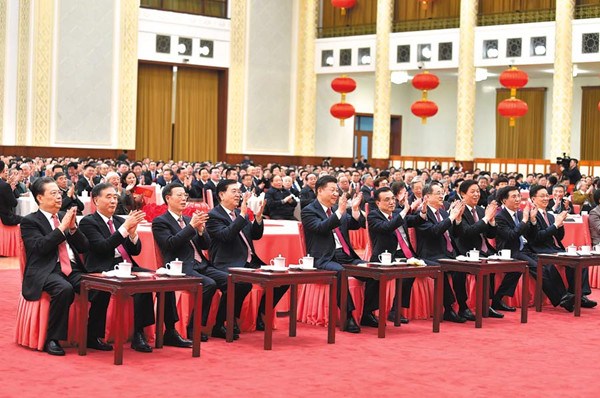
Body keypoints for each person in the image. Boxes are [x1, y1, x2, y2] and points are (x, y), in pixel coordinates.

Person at [79, 183, 191, 351]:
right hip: (103, 268)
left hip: (126, 266)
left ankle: (170, 330)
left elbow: (134, 250)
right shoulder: (88, 222)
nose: (113, 201)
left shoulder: (117, 220)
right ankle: (138, 334)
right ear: (96, 200)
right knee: (139, 286)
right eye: (108, 197)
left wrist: (132, 234)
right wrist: (125, 228)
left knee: (161, 280)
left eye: (115, 197)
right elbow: (103, 247)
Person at [206, 179, 287, 332]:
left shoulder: (238, 213)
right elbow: (226, 236)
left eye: (239, 191)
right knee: (241, 283)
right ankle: (223, 322)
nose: (238, 195)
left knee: (282, 278)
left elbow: (255, 235)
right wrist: (243, 215)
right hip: (227, 261)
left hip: (249, 260)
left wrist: (257, 217)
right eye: (234, 191)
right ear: (222, 195)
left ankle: (261, 313)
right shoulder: (214, 215)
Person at [20, 178, 89, 356]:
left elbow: (83, 247)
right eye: (53, 193)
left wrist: (72, 229)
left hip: (71, 268)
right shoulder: (30, 221)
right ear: (40, 198)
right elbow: (40, 247)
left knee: (96, 285)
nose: (59, 197)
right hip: (46, 270)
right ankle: (53, 338)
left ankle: (93, 335)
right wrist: (62, 228)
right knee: (63, 289)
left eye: (59, 193)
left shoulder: (65, 217)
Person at [301, 175, 379, 333]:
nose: (336, 194)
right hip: (323, 257)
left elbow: (354, 225)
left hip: (345, 255)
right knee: (340, 272)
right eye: (332, 190)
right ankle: (348, 316)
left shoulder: (337, 209)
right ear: (320, 191)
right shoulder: (308, 211)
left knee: (374, 270)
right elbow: (321, 228)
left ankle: (367, 313)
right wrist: (341, 211)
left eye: (336, 191)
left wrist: (355, 210)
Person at [152, 183, 228, 340]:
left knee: (230, 280)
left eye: (185, 195)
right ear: (168, 198)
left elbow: (206, 245)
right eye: (179, 195)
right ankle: (194, 327)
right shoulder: (160, 222)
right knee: (209, 284)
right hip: (180, 266)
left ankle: (219, 324)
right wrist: (191, 227)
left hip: (202, 264)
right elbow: (170, 244)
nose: (183, 198)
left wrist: (200, 231)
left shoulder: (188, 219)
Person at [494, 185, 574, 312]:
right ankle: (561, 299)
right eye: (513, 197)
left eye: (518, 196)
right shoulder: (500, 217)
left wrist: (532, 220)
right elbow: (511, 235)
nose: (517, 199)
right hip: (511, 250)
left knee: (547, 265)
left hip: (526, 249)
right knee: (537, 267)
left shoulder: (520, 214)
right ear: (504, 200)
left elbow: (531, 235)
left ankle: (564, 296)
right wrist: (526, 220)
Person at [528, 184, 596, 310]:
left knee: (579, 260)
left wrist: (560, 224)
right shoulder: (531, 215)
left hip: (553, 248)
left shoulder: (548, 215)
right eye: (541, 196)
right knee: (550, 267)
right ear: (533, 199)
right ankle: (567, 298)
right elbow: (537, 238)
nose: (545, 199)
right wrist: (555, 225)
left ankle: (578, 296)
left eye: (546, 196)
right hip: (540, 250)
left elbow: (559, 237)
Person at [453, 180, 513, 317]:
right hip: (465, 251)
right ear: (462, 194)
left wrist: (491, 222)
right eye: (472, 192)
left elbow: (490, 234)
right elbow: (467, 233)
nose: (476, 194)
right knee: (459, 272)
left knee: (492, 266)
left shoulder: (480, 210)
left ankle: (486, 305)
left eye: (478, 191)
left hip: (483, 250)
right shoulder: (458, 209)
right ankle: (463, 307)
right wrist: (486, 219)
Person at [415, 182, 472, 323]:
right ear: (427, 197)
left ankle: (463, 307)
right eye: (438, 193)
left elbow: (456, 234)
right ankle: (448, 309)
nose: (442, 195)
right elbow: (434, 232)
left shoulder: (444, 212)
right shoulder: (422, 214)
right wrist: (451, 217)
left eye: (442, 192)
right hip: (431, 254)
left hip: (449, 253)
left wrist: (457, 220)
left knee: (461, 269)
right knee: (444, 269)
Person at [368, 186, 425, 323]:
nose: (391, 202)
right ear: (378, 203)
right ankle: (367, 312)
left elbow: (415, 221)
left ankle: (395, 309)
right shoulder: (374, 216)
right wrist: (404, 211)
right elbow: (386, 227)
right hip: (385, 256)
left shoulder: (398, 213)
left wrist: (423, 212)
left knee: (410, 272)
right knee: (374, 280)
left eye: (393, 199)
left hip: (405, 254)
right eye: (387, 200)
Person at [0, 160, 23, 225]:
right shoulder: (4, 185)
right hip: (4, 218)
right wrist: (10, 189)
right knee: (27, 219)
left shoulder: (5, 184)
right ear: (3, 171)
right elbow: (14, 203)